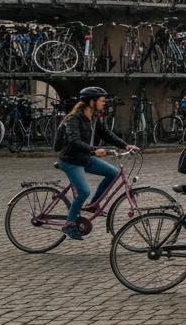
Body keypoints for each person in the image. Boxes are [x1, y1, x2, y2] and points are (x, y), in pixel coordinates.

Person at [54, 86, 134, 240]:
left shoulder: (94, 118)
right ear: (91, 102)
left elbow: (107, 134)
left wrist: (125, 145)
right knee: (83, 191)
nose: (104, 103)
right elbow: (74, 140)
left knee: (113, 173)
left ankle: (93, 204)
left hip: (84, 158)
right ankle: (69, 224)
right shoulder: (74, 118)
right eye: (102, 100)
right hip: (70, 160)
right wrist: (93, 150)